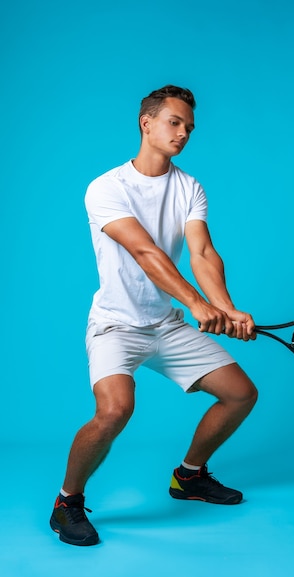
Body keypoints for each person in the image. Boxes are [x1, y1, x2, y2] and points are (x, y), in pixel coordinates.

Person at [50, 85, 258, 546]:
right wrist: (197, 304)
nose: (183, 133)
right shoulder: (106, 187)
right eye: (174, 122)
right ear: (147, 123)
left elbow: (202, 251)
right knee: (115, 410)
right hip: (115, 325)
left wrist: (224, 306)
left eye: (189, 127)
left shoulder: (189, 187)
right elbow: (145, 251)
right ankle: (67, 502)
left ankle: (189, 476)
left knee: (241, 394)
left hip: (165, 325)